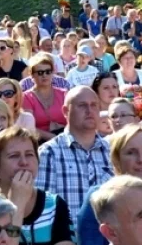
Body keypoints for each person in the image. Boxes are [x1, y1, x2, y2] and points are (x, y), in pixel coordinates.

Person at [37, 86, 113, 220]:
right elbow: (42, 209)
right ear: (66, 111)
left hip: (110, 238)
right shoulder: (49, 153)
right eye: (82, 105)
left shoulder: (112, 152)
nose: (89, 111)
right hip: (69, 238)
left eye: (94, 105)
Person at [23, 54, 67, 140]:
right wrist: (53, 138)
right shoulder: (26, 97)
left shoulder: (64, 94)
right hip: (40, 140)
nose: (44, 75)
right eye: (40, 73)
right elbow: (28, 128)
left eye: (48, 71)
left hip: (64, 137)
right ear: (32, 75)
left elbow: (73, 121)